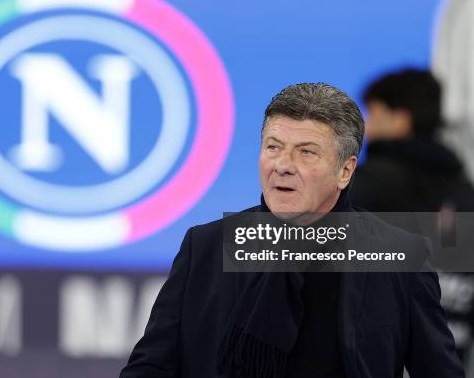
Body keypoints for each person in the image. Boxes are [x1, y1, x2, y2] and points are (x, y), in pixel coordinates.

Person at [120, 83, 464, 378]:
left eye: (306, 152)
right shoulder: (207, 246)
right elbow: (151, 368)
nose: (283, 166)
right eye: (273, 147)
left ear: (345, 171)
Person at [350, 68, 474, 364]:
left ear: (400, 119)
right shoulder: (465, 194)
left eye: (374, 113)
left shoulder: (366, 187)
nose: (366, 126)